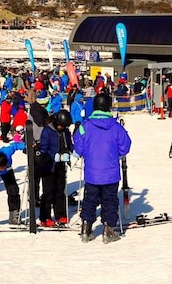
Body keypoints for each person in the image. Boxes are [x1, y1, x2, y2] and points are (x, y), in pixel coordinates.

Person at [73, 93, 132, 243]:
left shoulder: (86, 126)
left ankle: (86, 228)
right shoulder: (116, 127)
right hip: (110, 172)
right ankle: (109, 230)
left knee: (90, 200)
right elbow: (125, 148)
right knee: (110, 201)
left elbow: (78, 147)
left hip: (92, 172)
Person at [36, 109, 74, 227]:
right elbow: (43, 148)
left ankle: (60, 214)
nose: (62, 128)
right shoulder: (47, 132)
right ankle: (45, 217)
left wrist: (69, 152)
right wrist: (54, 156)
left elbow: (69, 144)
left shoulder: (65, 132)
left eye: (64, 126)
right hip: (48, 165)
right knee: (48, 192)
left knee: (60, 190)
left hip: (60, 165)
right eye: (60, 126)